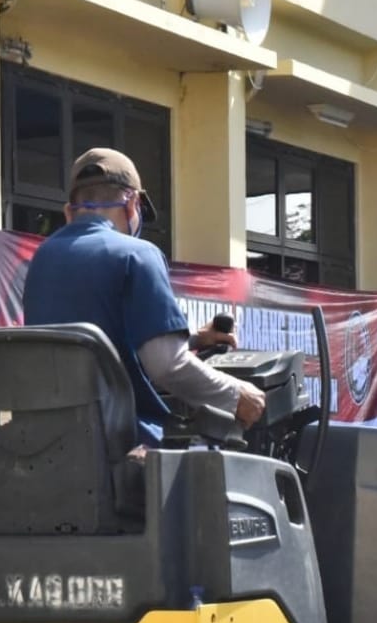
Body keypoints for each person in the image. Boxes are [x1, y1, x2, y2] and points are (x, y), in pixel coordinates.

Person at [23, 148, 264, 445]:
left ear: (70, 210)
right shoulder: (137, 255)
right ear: (132, 202)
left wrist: (195, 341)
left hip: (50, 443)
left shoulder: (41, 259)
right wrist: (238, 395)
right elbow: (167, 367)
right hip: (122, 442)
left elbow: (94, 343)